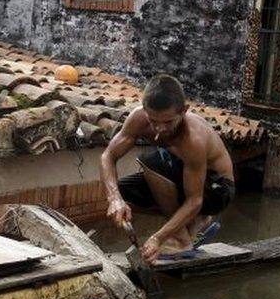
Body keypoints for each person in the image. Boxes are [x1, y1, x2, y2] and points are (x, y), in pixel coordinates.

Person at [100, 74, 236, 263]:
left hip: (217, 191)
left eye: (168, 122)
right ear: (145, 110)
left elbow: (195, 199)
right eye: (154, 121)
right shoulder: (138, 118)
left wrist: (158, 238)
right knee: (123, 191)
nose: (160, 129)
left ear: (184, 111)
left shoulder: (193, 139)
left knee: (152, 161)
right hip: (185, 180)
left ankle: (182, 239)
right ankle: (193, 223)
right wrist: (114, 198)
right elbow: (108, 156)